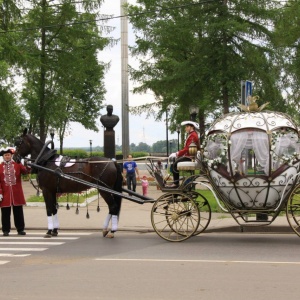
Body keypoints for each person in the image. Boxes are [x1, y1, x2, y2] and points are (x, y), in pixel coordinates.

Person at [0, 147, 30, 236]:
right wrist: (0, 192)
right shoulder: (0, 167)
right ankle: (5, 230)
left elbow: (25, 172)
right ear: (3, 156)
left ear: (11, 155)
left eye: (8, 155)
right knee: (5, 213)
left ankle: (20, 229)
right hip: (5, 194)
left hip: (17, 193)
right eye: (5, 155)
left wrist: (27, 164)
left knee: (18, 212)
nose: (7, 156)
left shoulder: (17, 164)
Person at [168, 121, 200, 187]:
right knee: (174, 162)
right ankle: (176, 183)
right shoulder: (192, 134)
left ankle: (176, 184)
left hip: (190, 157)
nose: (185, 128)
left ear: (192, 127)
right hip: (189, 156)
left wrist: (177, 153)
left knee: (175, 165)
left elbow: (187, 149)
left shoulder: (193, 135)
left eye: (187, 126)